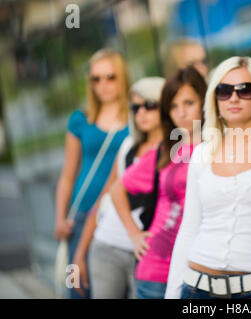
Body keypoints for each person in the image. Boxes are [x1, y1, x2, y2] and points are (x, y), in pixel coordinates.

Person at [165, 56, 251, 299]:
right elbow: (189, 228)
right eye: (224, 90)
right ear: (214, 99)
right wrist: (171, 294)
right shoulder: (202, 152)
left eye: (245, 90)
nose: (233, 97)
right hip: (197, 288)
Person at [111, 66, 206, 299]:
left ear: (204, 101)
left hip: (200, 269)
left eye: (188, 103)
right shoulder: (166, 151)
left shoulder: (219, 147)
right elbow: (116, 189)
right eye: (173, 106)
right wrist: (134, 235)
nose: (181, 112)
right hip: (155, 273)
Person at [72, 77, 165, 298]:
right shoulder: (127, 146)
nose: (141, 112)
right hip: (107, 246)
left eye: (149, 105)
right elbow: (104, 199)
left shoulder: (176, 151)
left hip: (147, 256)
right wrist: (78, 255)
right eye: (135, 107)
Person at [54, 48, 130, 299]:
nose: (103, 85)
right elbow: (67, 175)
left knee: (109, 290)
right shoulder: (80, 119)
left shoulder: (137, 117)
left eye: (110, 77)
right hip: (80, 214)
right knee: (77, 287)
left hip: (116, 215)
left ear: (122, 77)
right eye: (96, 79)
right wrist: (60, 218)